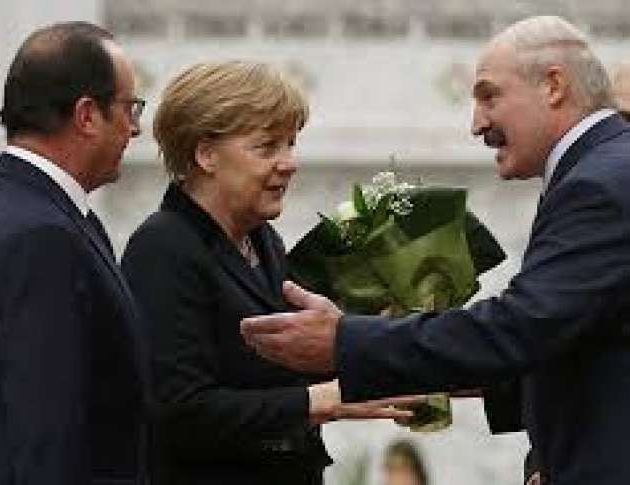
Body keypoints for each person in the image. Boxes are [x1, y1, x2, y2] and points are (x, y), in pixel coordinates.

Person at [241, 15, 630, 485]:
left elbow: (522, 327)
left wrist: (345, 341)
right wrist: (417, 364)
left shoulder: (599, 184)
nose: (476, 124)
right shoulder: (602, 170)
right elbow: (570, 345)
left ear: (553, 86)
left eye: (489, 97)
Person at [121, 61, 414, 485]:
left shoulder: (263, 241)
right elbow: (179, 411)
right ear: (206, 155)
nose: (289, 163)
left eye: (290, 144)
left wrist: (373, 336)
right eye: (267, 147)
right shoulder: (163, 248)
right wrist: (320, 401)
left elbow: (279, 373)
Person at [0, 22, 149, 485]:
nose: (135, 128)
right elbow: (49, 431)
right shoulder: (42, 235)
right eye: (129, 108)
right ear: (87, 115)